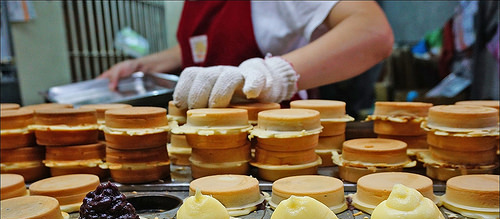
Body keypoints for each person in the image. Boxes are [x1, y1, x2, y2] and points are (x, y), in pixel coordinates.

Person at [99, 1, 394, 110]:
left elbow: (372, 32)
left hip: (273, 154)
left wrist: (274, 75)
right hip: (202, 150)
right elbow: (204, 46)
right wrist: (146, 64)